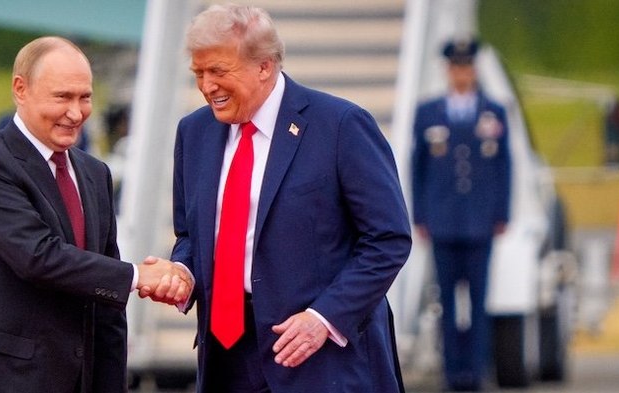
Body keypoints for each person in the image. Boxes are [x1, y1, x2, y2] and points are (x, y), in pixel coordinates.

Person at [163, 5, 412, 392]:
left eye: (218, 71)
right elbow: (191, 235)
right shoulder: (194, 132)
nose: (207, 86)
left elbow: (388, 239)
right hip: (227, 361)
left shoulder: (340, 125)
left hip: (321, 360)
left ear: (264, 66)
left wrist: (324, 317)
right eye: (199, 73)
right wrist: (183, 272)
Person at [0, 36, 189, 393]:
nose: (76, 112)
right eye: (62, 97)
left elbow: (106, 307)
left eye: (85, 97)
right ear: (20, 89)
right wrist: (137, 275)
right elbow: (38, 256)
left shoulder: (94, 174)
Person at [411, 38, 512, 391]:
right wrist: (420, 214)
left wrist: (501, 212)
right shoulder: (429, 112)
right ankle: (452, 371)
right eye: (456, 67)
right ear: (448, 70)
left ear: (474, 70)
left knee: (479, 300)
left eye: (467, 67)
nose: (462, 74)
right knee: (447, 301)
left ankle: (477, 369)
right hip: (443, 220)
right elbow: (418, 167)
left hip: (480, 221)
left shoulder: (493, 112)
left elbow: (503, 166)